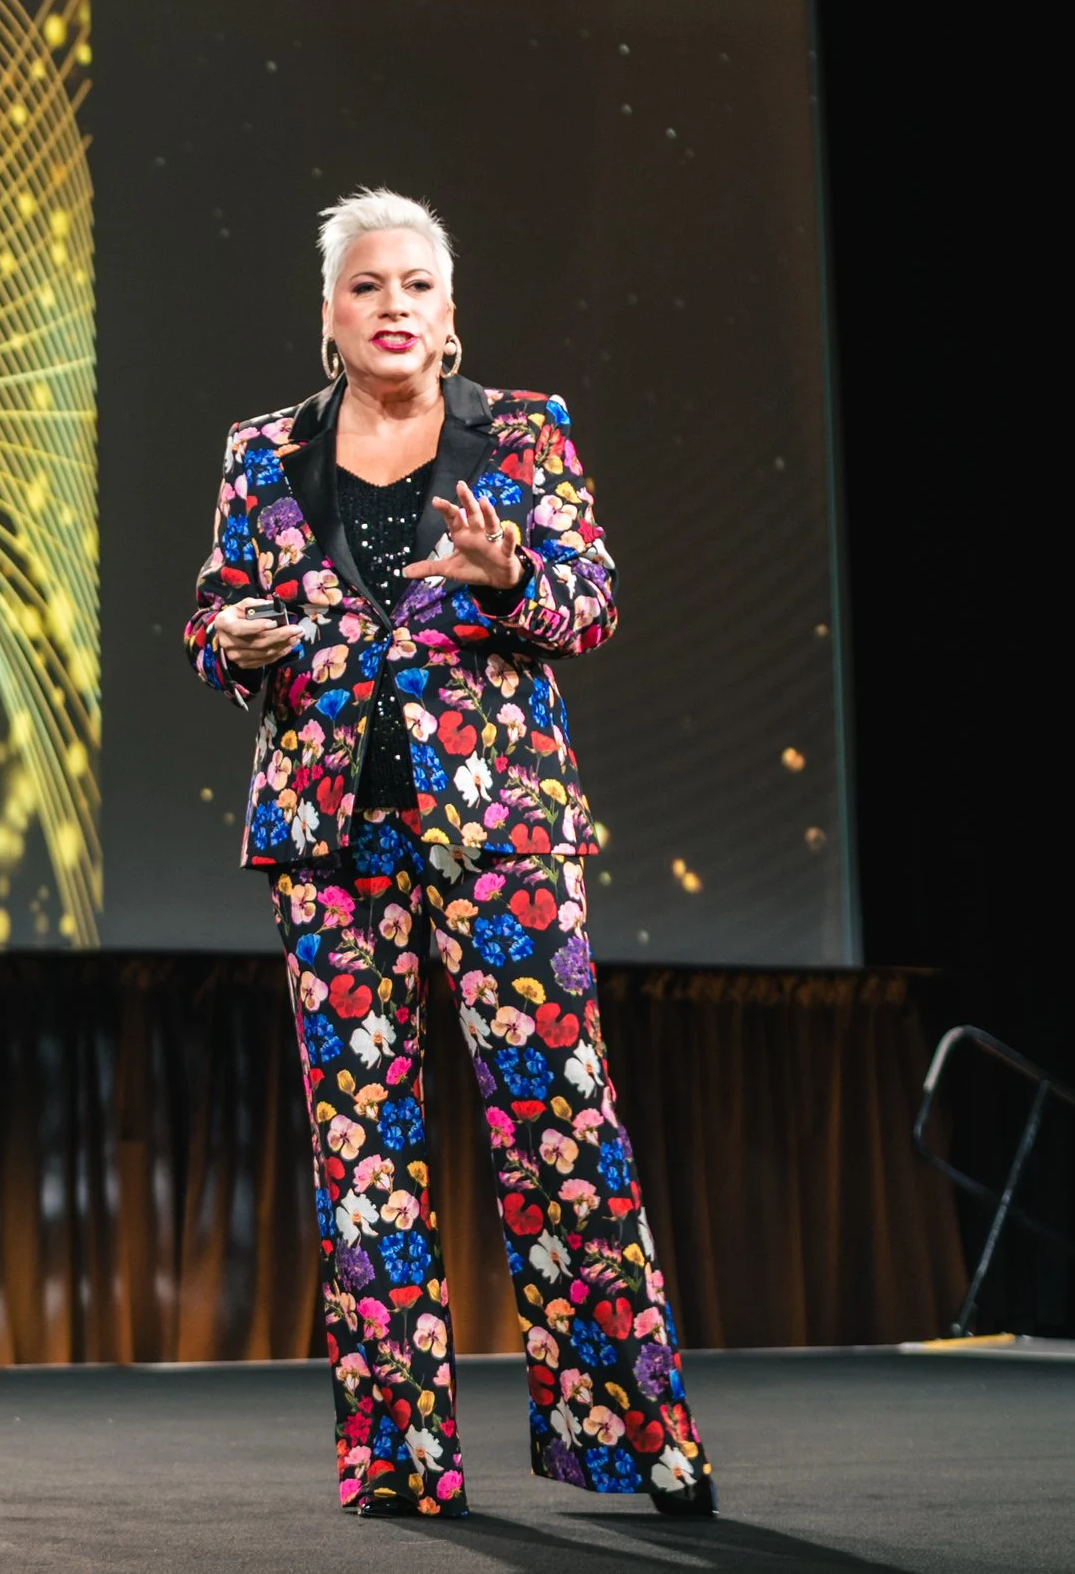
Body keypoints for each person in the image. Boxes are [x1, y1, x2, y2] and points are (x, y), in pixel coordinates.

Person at [182, 188, 716, 1521]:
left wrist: (507, 579)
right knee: (365, 1150)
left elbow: (588, 604)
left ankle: (633, 1432)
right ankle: (401, 1453)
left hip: (500, 835)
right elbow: (214, 611)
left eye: (417, 284)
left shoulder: (522, 438)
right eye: (368, 286)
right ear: (331, 316)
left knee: (562, 1126)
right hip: (332, 832)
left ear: (451, 310)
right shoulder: (265, 452)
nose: (395, 306)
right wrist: (227, 644)